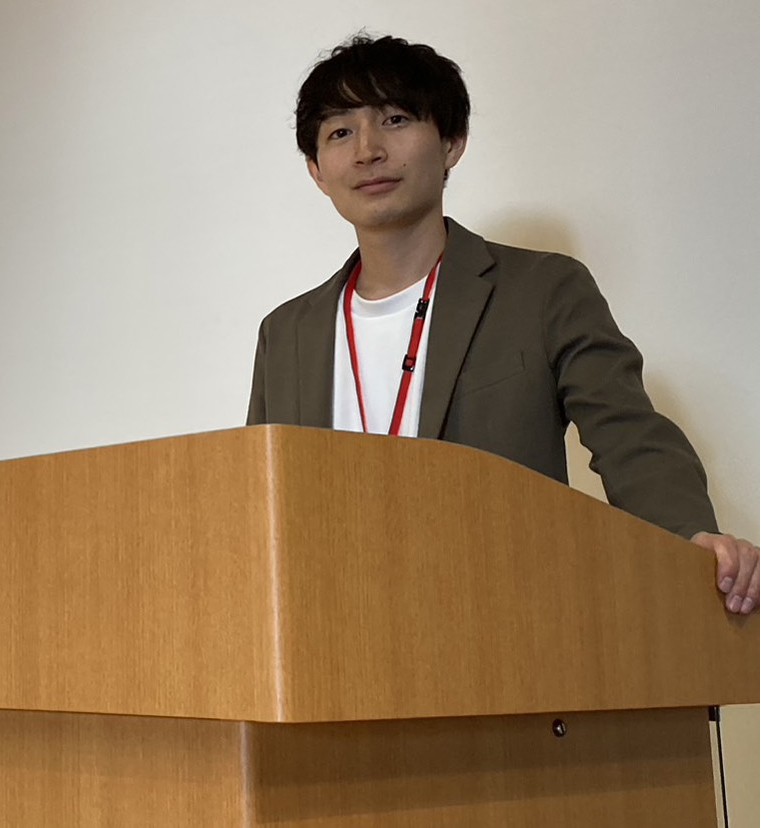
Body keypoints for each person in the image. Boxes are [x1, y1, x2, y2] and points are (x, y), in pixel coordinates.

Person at [247, 34, 758, 614]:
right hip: (329, 642)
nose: (367, 150)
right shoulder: (286, 332)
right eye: (340, 132)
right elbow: (257, 502)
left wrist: (688, 539)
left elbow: (629, 436)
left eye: (394, 119)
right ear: (316, 169)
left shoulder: (542, 291)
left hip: (502, 635)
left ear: (452, 142)